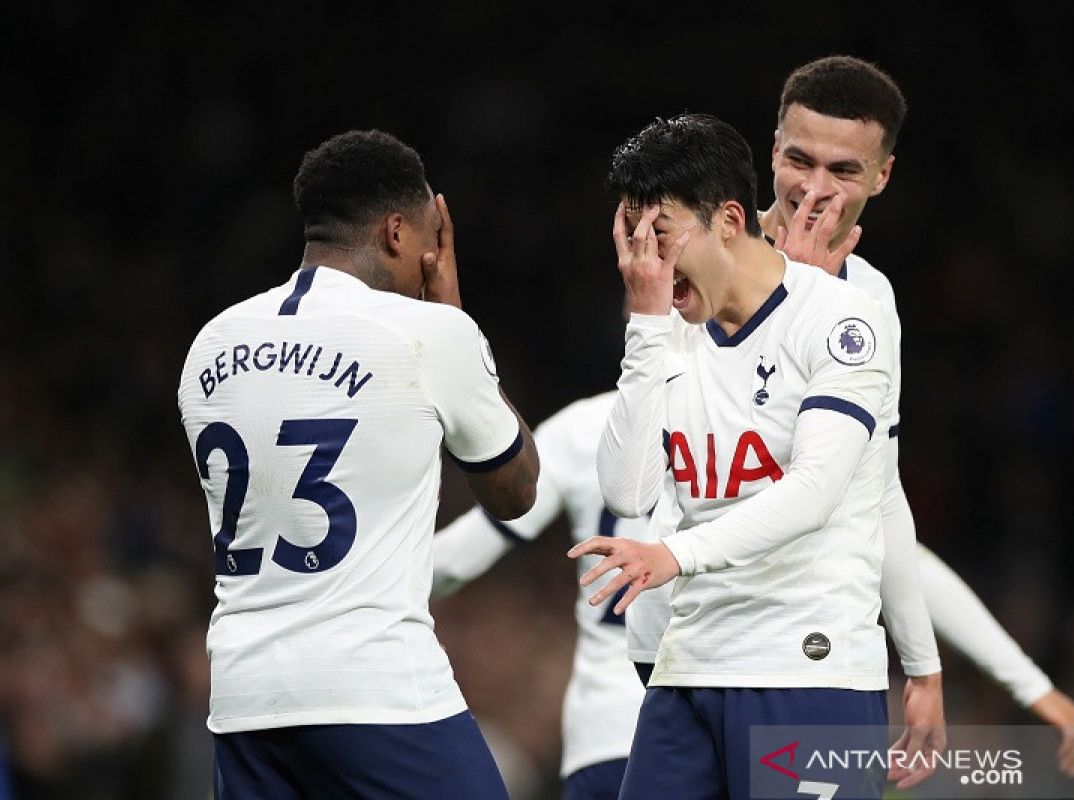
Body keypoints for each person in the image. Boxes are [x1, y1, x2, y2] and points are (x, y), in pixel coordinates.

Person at [623, 55, 1074, 779]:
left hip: (801, 656)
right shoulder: (686, 259)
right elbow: (656, 476)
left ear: (882, 176)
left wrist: (923, 664)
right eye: (798, 159)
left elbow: (873, 500)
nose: (813, 189)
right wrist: (797, 299)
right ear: (771, 148)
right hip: (680, 646)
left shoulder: (870, 306)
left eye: (843, 170)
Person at [570, 112, 943, 800]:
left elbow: (816, 492)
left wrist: (922, 666)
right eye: (631, 242)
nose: (646, 263)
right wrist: (647, 324)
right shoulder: (669, 330)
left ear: (729, 220)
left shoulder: (841, 320)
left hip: (806, 668)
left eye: (660, 237)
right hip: (687, 669)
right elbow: (628, 492)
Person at [177, 129, 539, 799]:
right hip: (375, 690)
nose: (433, 255)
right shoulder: (428, 332)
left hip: (244, 696)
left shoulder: (212, 342)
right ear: (397, 232)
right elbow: (515, 491)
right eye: (433, 236)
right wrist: (456, 316)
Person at [432, 392, 648, 799]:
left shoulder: (587, 427)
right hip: (764, 711)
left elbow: (450, 563)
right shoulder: (782, 420)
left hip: (617, 732)